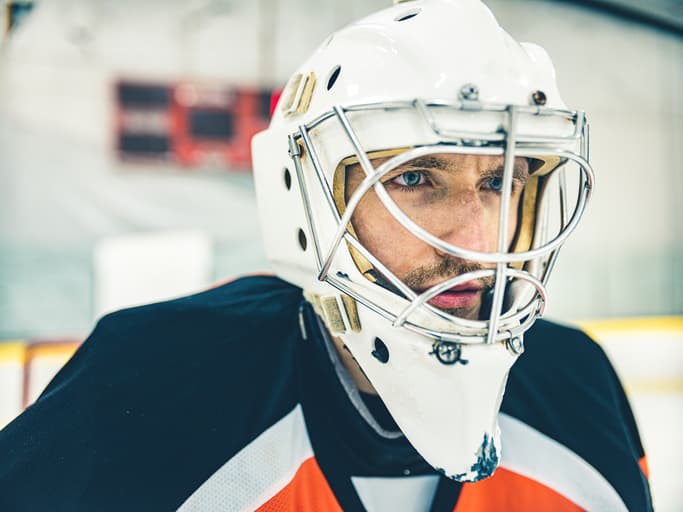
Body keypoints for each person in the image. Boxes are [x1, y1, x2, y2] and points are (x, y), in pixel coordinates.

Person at [0, 0, 652, 510]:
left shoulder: (578, 384)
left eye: (498, 182)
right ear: (305, 200)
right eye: (414, 179)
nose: (476, 245)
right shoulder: (144, 384)